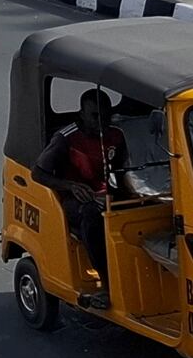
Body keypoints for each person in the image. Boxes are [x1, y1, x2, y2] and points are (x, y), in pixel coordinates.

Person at [32, 89, 128, 308]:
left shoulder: (117, 135)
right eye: (95, 116)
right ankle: (106, 286)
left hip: (107, 197)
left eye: (105, 116)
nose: (101, 122)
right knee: (93, 217)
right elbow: (38, 172)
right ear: (82, 114)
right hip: (75, 201)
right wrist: (71, 186)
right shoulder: (66, 138)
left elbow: (122, 170)